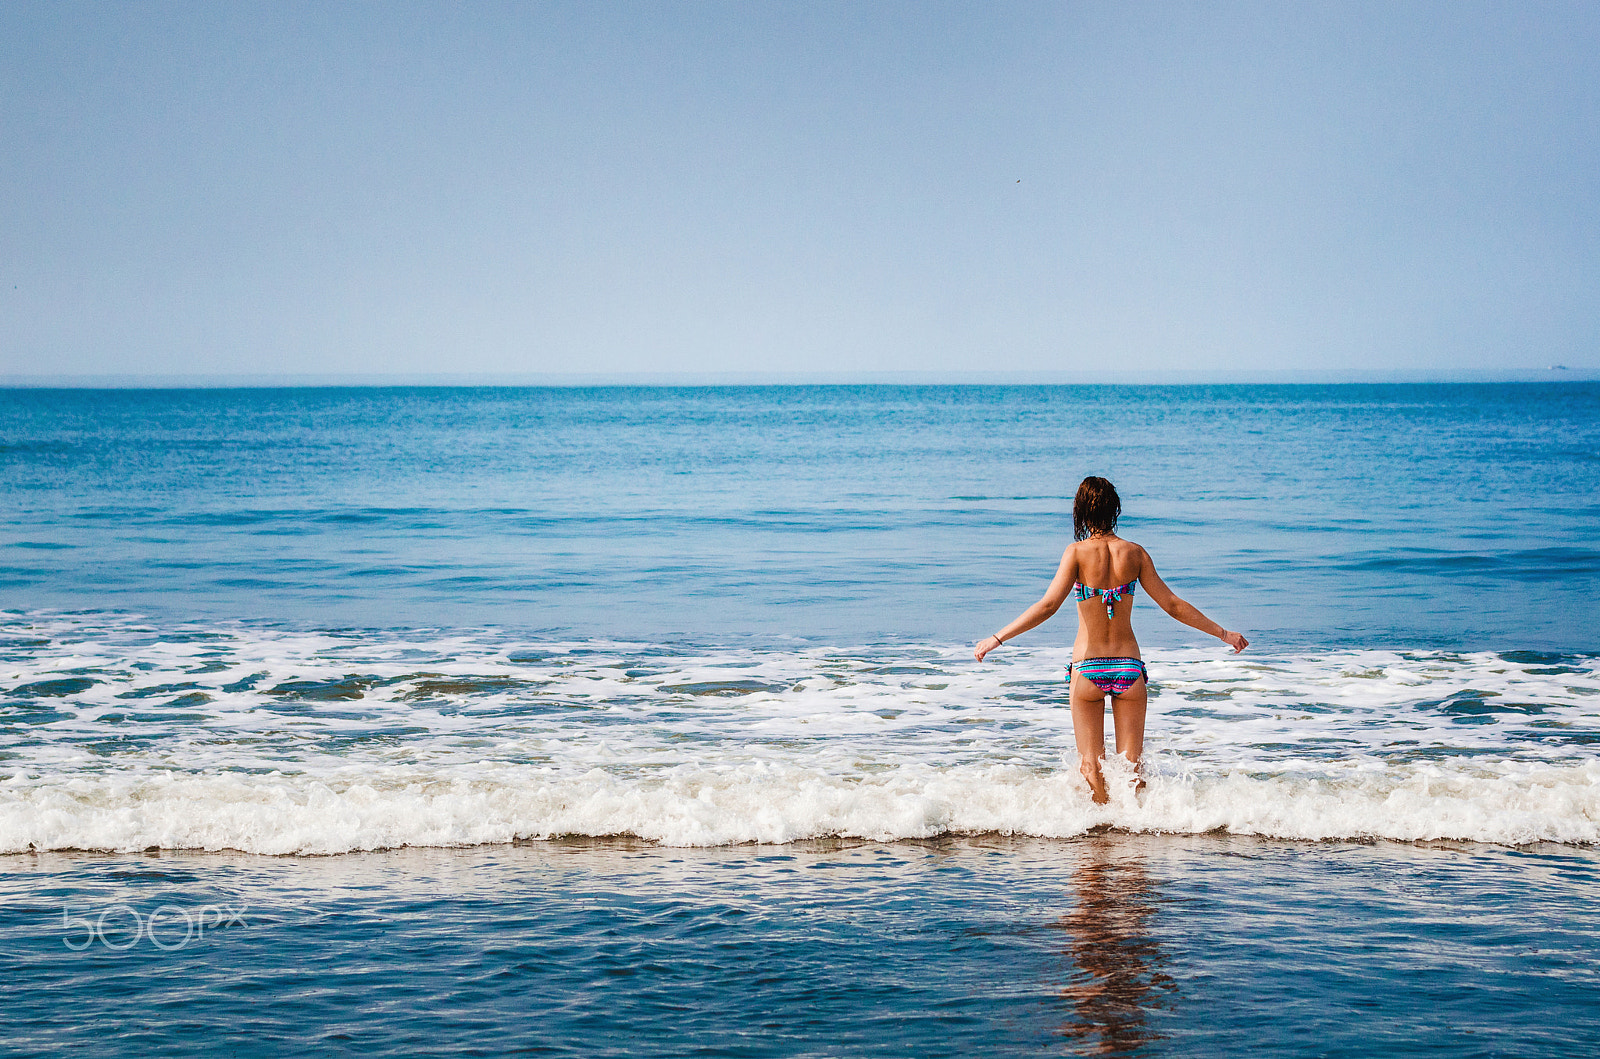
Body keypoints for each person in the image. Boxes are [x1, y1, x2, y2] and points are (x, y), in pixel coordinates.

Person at [973, 476, 1247, 804]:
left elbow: (1047, 606)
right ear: (1114, 509)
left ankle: (1100, 836)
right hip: (1129, 670)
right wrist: (1224, 633)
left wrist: (997, 638)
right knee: (1132, 769)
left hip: (1088, 669)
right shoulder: (1134, 554)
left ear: (1082, 512)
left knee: (1090, 767)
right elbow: (1173, 606)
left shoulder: (1076, 553)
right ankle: (1132, 835)